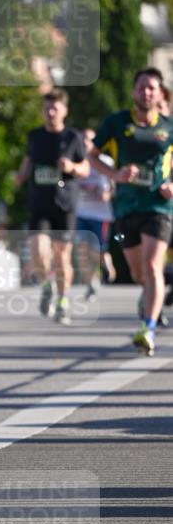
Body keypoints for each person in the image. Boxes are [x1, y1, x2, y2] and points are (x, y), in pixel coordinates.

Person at [90, 68, 173, 355]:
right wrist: (114, 174)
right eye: (142, 87)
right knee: (139, 272)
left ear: (160, 94)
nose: (146, 92)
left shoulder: (169, 127)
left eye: (152, 88)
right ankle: (148, 296)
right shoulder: (116, 123)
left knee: (152, 266)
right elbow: (91, 154)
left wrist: (172, 184)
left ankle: (147, 328)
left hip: (158, 206)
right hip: (125, 206)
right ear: (133, 92)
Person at [14, 88, 89, 325]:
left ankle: (63, 301)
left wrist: (72, 168)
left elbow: (85, 168)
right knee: (38, 252)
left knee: (62, 256)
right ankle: (47, 285)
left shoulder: (73, 138)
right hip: (39, 202)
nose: (50, 112)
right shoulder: (34, 136)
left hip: (64, 203)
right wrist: (20, 176)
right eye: (47, 108)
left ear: (65, 111)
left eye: (55, 108)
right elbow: (27, 161)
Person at [75, 129, 114, 301]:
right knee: (83, 251)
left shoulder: (106, 161)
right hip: (81, 212)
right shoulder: (77, 162)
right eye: (83, 140)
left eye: (90, 140)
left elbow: (114, 185)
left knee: (96, 251)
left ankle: (106, 261)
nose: (86, 143)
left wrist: (108, 194)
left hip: (101, 215)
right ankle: (90, 284)